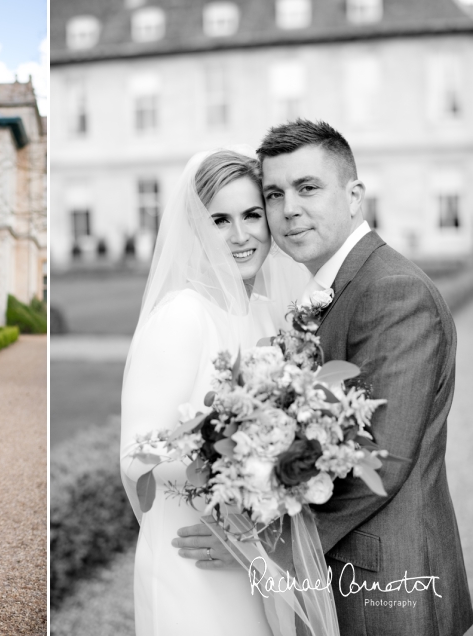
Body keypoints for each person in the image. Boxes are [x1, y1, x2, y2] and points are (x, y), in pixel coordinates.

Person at [176, 120, 473, 635]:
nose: (288, 208)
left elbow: (385, 457)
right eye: (274, 193)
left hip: (388, 581)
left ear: (354, 196)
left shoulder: (391, 291)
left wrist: (253, 540)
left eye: (307, 187)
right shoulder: (337, 288)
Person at [120, 149, 309, 635]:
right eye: (220, 220)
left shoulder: (272, 315)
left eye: (251, 215)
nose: (241, 236)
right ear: (196, 229)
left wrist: (261, 507)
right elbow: (138, 453)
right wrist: (236, 471)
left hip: (256, 548)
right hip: (194, 550)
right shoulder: (181, 316)